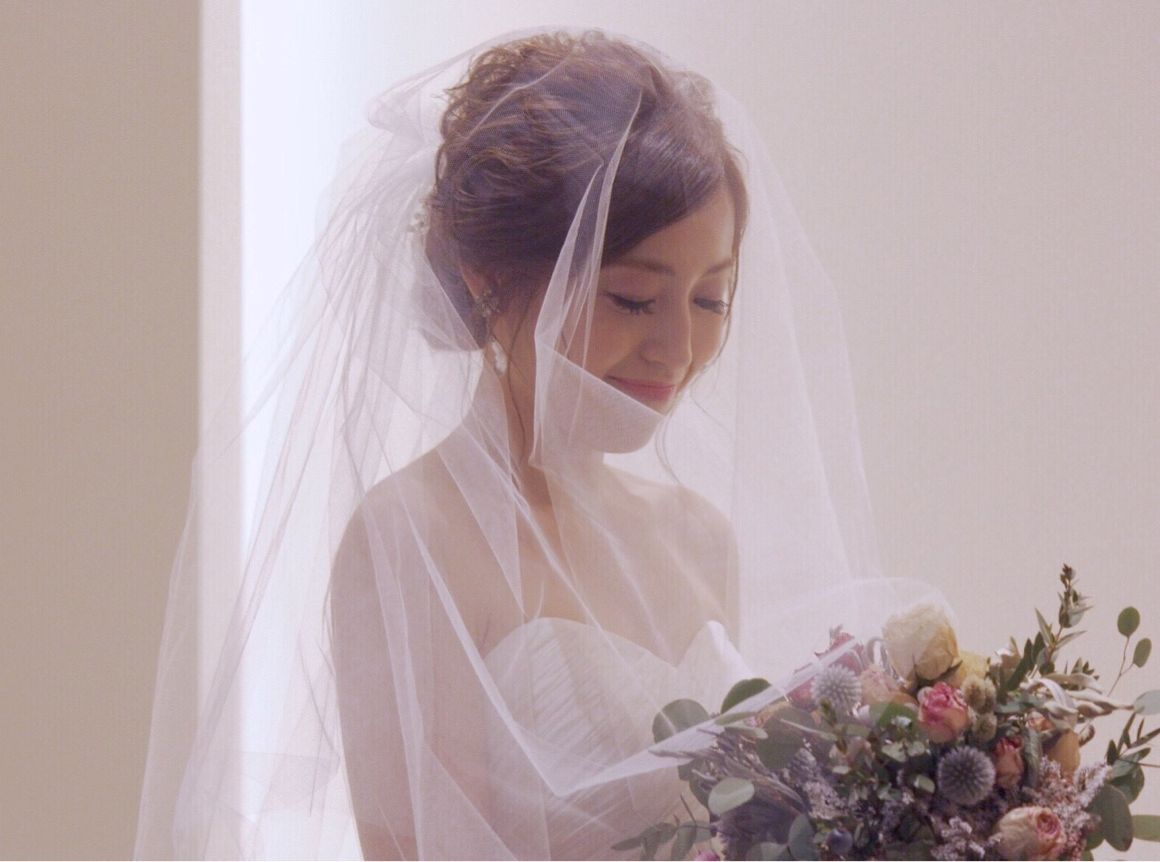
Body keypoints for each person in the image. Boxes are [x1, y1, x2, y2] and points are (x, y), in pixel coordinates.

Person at [136, 28, 896, 860]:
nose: (678, 350)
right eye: (633, 298)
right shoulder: (413, 536)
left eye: (710, 300)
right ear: (490, 280)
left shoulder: (700, 538)